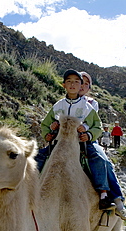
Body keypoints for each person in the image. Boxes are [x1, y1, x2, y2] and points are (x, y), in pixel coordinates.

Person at [41, 69, 115, 211]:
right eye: (69, 81)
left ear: (81, 85)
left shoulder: (87, 106)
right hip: (59, 142)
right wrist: (48, 133)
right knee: (37, 157)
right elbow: (45, 124)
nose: (73, 85)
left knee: (99, 159)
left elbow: (97, 125)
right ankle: (30, 192)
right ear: (64, 85)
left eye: (77, 82)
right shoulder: (58, 105)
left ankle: (104, 195)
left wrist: (88, 134)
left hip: (82, 143)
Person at [78, 71, 126, 220]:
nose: (82, 85)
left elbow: (92, 122)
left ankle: (116, 200)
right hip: (66, 139)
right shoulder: (65, 102)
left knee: (103, 161)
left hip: (88, 140)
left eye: (86, 83)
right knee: (39, 157)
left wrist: (87, 132)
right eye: (79, 81)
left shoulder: (91, 103)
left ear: (89, 88)